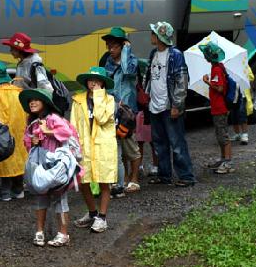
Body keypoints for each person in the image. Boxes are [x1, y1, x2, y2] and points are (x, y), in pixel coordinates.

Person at [144, 22, 196, 187]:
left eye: (153, 33)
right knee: (159, 144)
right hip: (155, 106)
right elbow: (150, 78)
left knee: (177, 143)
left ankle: (186, 176)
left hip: (169, 106)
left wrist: (177, 105)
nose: (150, 36)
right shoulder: (153, 53)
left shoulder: (175, 55)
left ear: (159, 37)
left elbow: (182, 82)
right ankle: (164, 175)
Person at [20, 88, 73, 247]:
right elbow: (26, 140)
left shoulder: (53, 118)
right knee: (41, 196)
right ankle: (39, 232)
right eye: (30, 101)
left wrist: (47, 131)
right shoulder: (33, 122)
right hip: (42, 165)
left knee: (60, 198)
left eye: (36, 100)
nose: (32, 103)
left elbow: (66, 132)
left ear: (46, 103)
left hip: (56, 165)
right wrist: (33, 141)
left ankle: (63, 233)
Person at [70, 67, 117, 233]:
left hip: (103, 146)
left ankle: (102, 217)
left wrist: (98, 96)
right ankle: (92, 213)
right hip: (84, 146)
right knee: (84, 181)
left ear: (103, 83)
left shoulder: (109, 100)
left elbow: (102, 118)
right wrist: (73, 146)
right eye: (91, 80)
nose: (94, 83)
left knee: (105, 181)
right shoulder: (78, 100)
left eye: (97, 81)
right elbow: (73, 125)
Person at [102, 27, 142, 197]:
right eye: (109, 46)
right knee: (117, 147)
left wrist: (127, 50)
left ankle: (135, 178)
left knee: (130, 145)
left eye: (114, 47)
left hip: (127, 111)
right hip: (113, 109)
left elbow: (127, 71)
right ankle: (124, 177)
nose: (110, 50)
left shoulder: (131, 60)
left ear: (123, 45)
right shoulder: (108, 62)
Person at [0, 60, 28, 201]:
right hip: (20, 132)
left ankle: (5, 192)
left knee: (5, 160)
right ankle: (19, 189)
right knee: (18, 160)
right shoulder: (18, 92)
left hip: (2, 133)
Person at [200, 41, 234, 174]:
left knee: (223, 135)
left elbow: (220, 88)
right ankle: (223, 159)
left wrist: (207, 82)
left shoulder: (217, 69)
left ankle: (228, 162)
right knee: (220, 135)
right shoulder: (218, 67)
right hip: (218, 107)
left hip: (220, 108)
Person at [231, 65, 255, 145]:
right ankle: (237, 134)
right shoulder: (227, 67)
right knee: (233, 115)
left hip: (242, 94)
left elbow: (251, 77)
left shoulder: (243, 64)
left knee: (242, 114)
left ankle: (244, 134)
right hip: (232, 95)